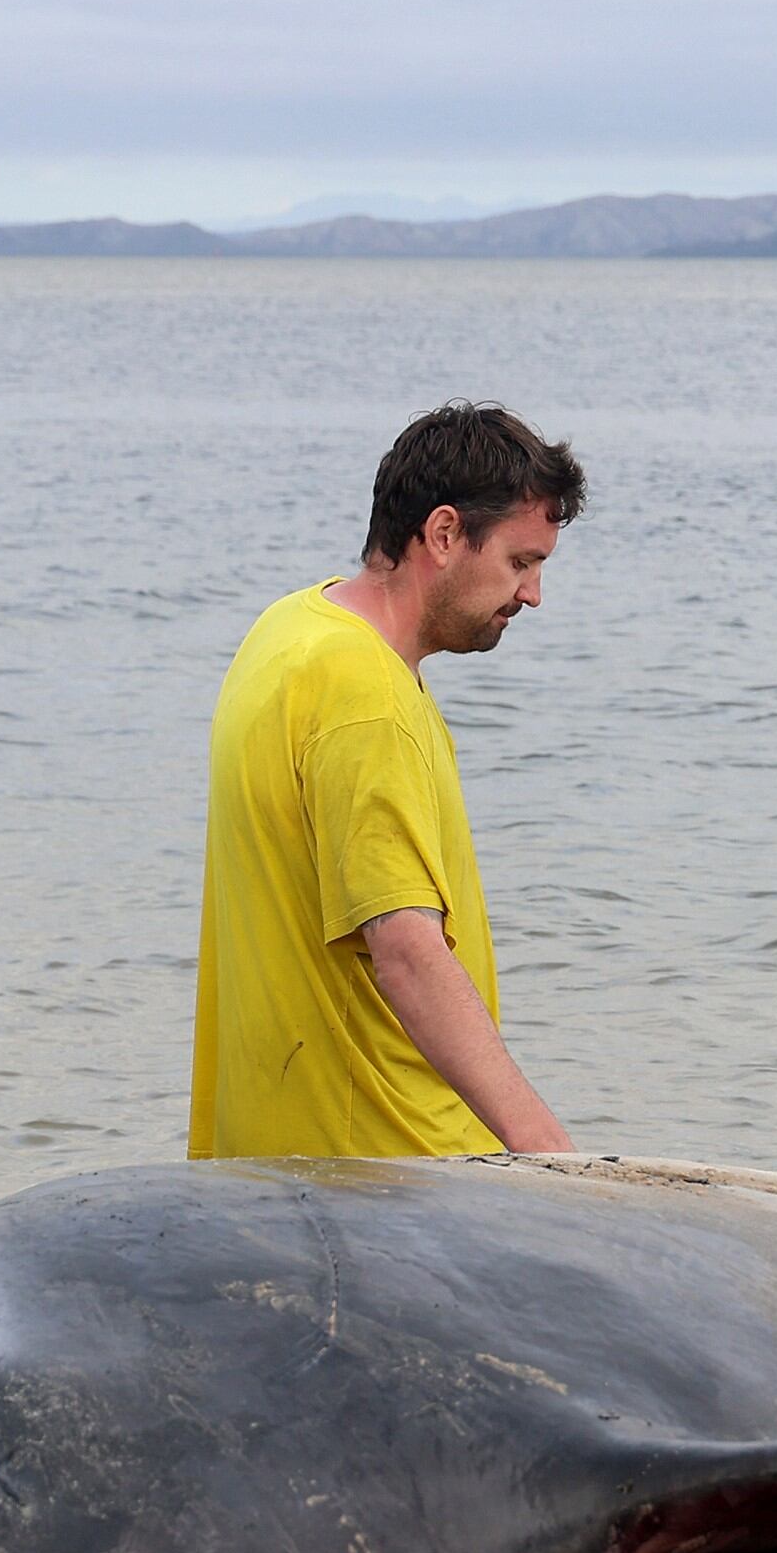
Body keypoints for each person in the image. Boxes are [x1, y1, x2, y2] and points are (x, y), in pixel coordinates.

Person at [189, 403, 585, 1159]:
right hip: (384, 1180)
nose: (532, 595)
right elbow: (405, 947)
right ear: (442, 535)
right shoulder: (363, 697)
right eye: (521, 562)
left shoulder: (290, 629)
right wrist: (545, 1152)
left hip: (282, 1167)